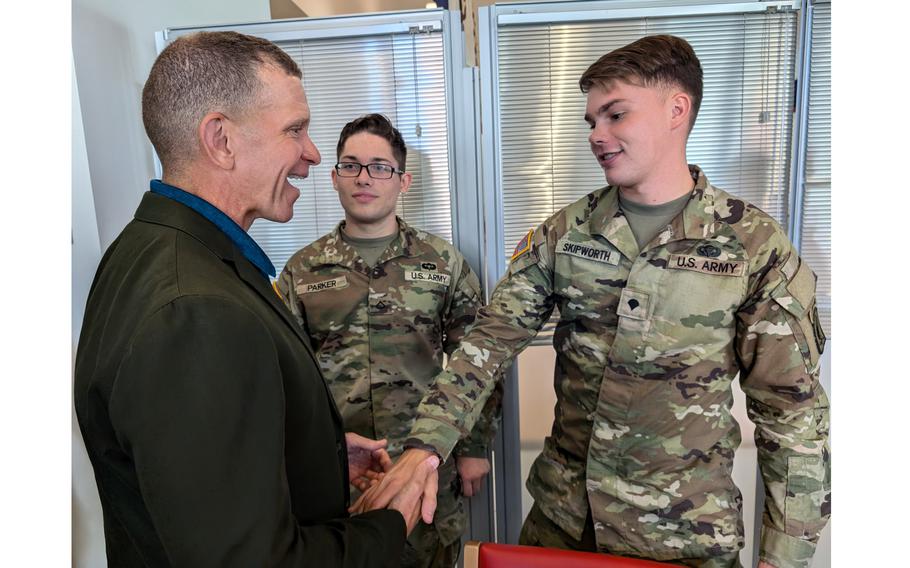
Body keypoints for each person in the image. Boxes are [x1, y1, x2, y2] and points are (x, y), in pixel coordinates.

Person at [353, 35, 830, 568]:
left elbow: (793, 415)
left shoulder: (751, 245)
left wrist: (783, 557)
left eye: (615, 115)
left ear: (678, 109)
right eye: (590, 122)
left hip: (682, 536)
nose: (597, 136)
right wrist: (426, 446)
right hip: (563, 526)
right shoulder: (566, 232)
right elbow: (487, 344)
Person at [73, 31, 439, 567]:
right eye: (295, 129)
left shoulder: (149, 248)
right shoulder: (196, 311)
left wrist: (318, 459)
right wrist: (391, 521)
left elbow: (202, 475)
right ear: (220, 140)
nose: (313, 154)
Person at [277, 114, 503, 568]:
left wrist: (475, 449)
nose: (365, 178)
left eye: (380, 167)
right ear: (336, 177)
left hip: (423, 462)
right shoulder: (302, 271)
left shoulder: (442, 263)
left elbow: (478, 360)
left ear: (403, 181)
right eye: (351, 165)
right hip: (337, 472)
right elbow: (284, 377)